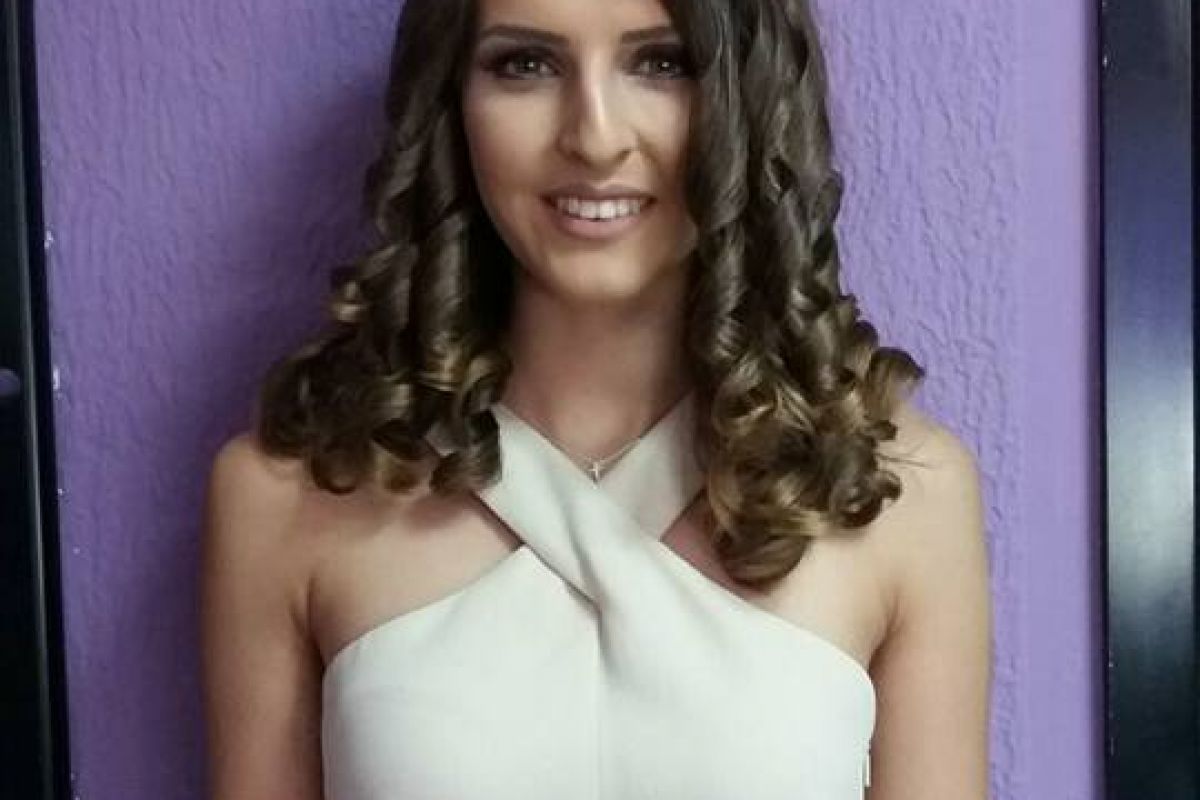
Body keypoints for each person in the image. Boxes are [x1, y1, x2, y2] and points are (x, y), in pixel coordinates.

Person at [199, 0, 992, 797]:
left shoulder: (905, 501)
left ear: (748, 98)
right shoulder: (285, 500)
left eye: (663, 63)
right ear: (452, 98)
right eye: (526, 65)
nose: (594, 138)